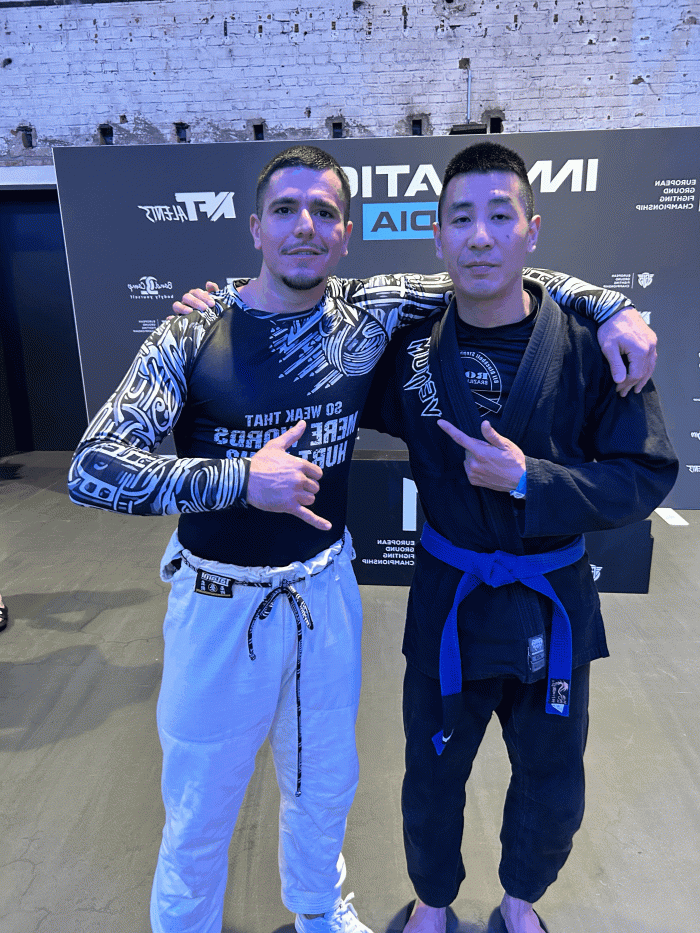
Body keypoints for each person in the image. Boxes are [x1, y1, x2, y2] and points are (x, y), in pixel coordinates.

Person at [69, 144, 656, 933]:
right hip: (218, 600)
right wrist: (238, 478)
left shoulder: (364, 312)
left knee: (326, 784)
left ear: (347, 235)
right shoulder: (194, 331)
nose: (304, 226)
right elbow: (92, 466)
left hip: (325, 589)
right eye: (285, 210)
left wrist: (612, 306)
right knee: (202, 801)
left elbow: (499, 275)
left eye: (324, 212)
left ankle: (319, 911)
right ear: (255, 227)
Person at [360, 141, 678, 933]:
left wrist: (534, 480)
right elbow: (303, 356)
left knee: (553, 779)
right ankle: (432, 902)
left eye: (501, 216)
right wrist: (215, 310)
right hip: (451, 602)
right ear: (437, 236)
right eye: (461, 218)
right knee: (431, 775)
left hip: (550, 602)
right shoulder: (407, 350)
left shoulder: (594, 347)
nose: (480, 236)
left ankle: (518, 902)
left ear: (532, 230)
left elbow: (645, 473)